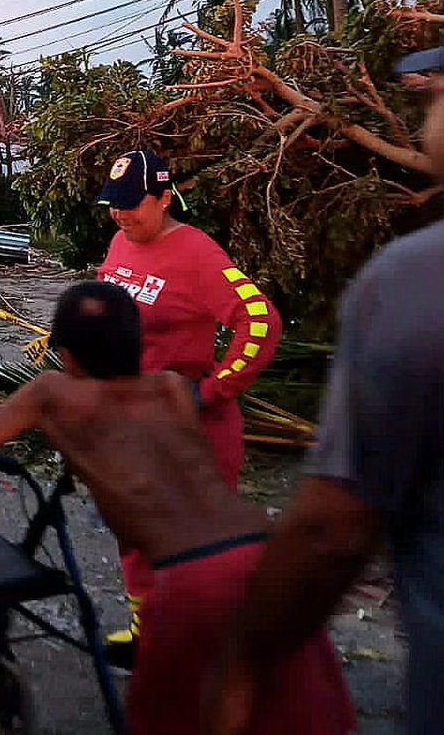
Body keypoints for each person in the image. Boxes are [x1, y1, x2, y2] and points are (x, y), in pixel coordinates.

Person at [0, 281, 354, 735]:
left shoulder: (52, 394)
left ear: (67, 355)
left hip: (195, 578)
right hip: (268, 555)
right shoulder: (173, 388)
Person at [208, 21, 444, 735]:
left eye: (437, 93)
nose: (424, 110)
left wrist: (245, 660)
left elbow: (331, 528)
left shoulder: (421, 279)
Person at [95, 149, 282, 667]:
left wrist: (212, 391)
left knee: (201, 554)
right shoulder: (119, 241)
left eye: (133, 204)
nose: (121, 214)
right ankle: (146, 632)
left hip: (193, 434)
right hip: (133, 425)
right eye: (114, 204)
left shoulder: (197, 255)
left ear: (163, 197)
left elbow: (262, 324)